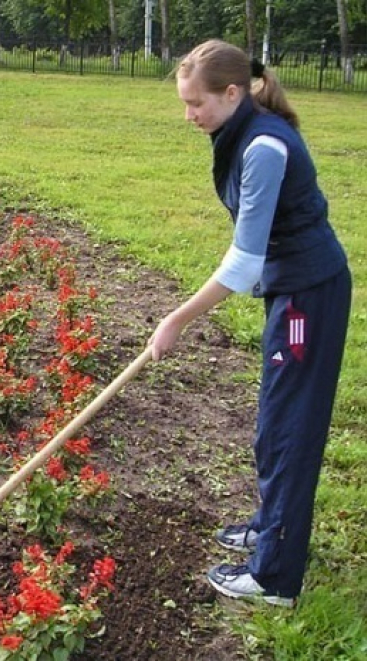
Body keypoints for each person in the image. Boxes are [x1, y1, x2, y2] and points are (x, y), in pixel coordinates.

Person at [149, 40, 350, 608]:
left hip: (308, 295)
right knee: (274, 419)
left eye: (196, 103)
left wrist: (177, 321)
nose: (189, 115)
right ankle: (272, 525)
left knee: (290, 428)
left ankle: (274, 577)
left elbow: (244, 262)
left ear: (232, 94)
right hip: (292, 289)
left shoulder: (263, 145)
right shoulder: (243, 131)